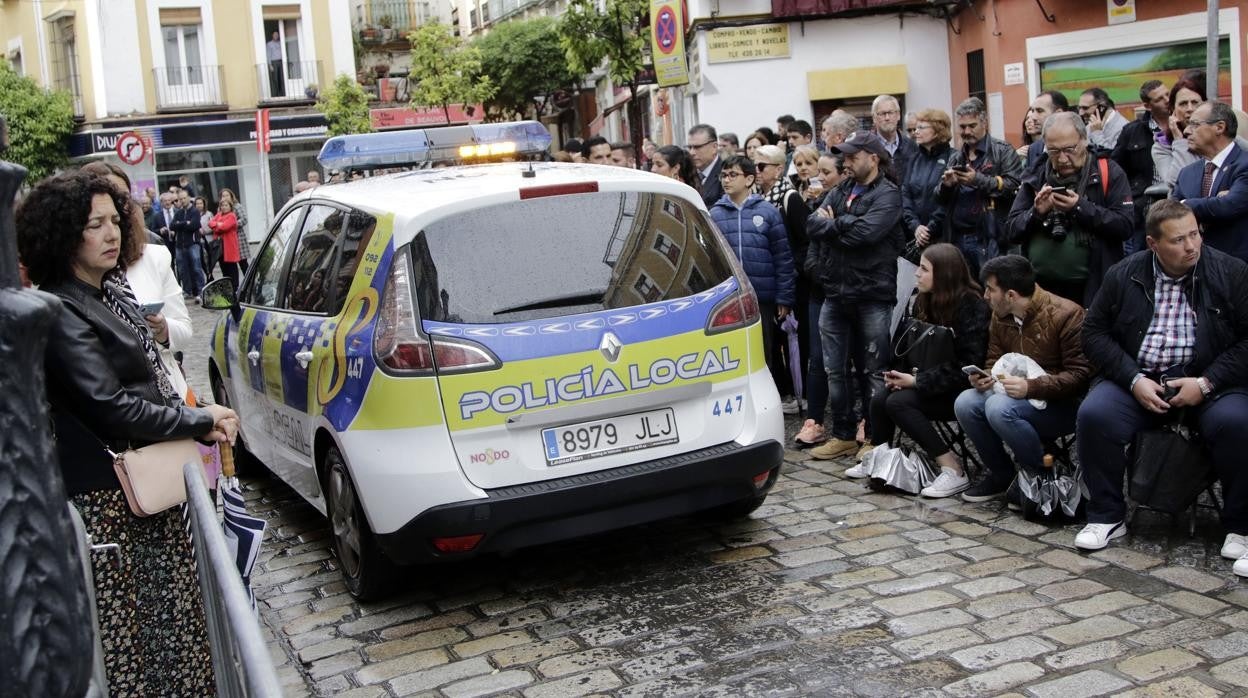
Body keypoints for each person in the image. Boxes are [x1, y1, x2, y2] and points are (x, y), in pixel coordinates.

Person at [15, 169, 239, 695]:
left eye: (115, 221)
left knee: (176, 629)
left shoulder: (106, 291)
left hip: (140, 493)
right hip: (113, 502)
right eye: (96, 225)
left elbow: (148, 383)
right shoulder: (62, 308)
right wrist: (199, 420)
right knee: (141, 642)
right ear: (65, 232)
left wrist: (194, 411)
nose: (112, 233)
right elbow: (111, 407)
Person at [1075, 199, 1248, 566]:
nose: (1191, 246)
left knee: (1237, 423)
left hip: (1208, 380)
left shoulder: (1230, 272)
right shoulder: (1126, 273)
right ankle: (1106, 515)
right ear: (1153, 243)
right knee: (1095, 414)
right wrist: (1133, 379)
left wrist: (1205, 383)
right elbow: (1093, 333)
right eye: (1178, 240)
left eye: (1194, 234)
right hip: (1140, 379)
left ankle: (1241, 526)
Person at [851, 243, 990, 497]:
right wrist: (898, 375)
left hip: (958, 391)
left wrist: (917, 381)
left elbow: (969, 365)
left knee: (898, 403)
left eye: (924, 269)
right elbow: (907, 347)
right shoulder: (924, 300)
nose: (917, 274)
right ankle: (881, 460)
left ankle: (953, 468)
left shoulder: (972, 306)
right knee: (882, 396)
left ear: (944, 273)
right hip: (926, 382)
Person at [955, 255, 1091, 503]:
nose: (985, 295)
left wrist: (1032, 387)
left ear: (1011, 295)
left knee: (998, 408)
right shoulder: (1000, 314)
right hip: (1015, 395)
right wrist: (985, 377)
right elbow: (994, 359)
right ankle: (1001, 474)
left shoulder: (1067, 314)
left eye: (990, 289)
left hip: (1062, 404)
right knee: (966, 401)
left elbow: (1080, 376)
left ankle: (1038, 478)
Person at [805, 131, 905, 461]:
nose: (845, 162)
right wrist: (843, 228)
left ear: (873, 158)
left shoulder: (888, 194)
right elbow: (811, 225)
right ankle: (844, 434)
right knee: (835, 369)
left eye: (852, 156)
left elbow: (868, 234)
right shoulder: (841, 190)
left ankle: (875, 437)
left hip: (873, 292)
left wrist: (836, 226)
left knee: (875, 369)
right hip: (836, 292)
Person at [1005, 111, 1134, 306]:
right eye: (1054, 151)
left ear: (1084, 140)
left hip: (1093, 291)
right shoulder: (1036, 175)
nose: (1063, 158)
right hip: (1041, 291)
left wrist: (1080, 207)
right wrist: (1037, 212)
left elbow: (1125, 225)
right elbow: (1011, 230)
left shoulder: (1108, 171)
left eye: (1069, 149)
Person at [708, 155, 796, 374]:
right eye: (724, 175)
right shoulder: (715, 214)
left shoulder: (767, 212)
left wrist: (784, 297)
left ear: (748, 180)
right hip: (729, 300)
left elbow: (782, 257)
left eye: (732, 175)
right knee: (733, 353)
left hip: (761, 297)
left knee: (764, 352)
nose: (726, 180)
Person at [937, 96, 1023, 279]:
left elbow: (1014, 187)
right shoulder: (956, 157)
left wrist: (977, 180)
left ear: (984, 123)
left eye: (972, 125)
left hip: (990, 237)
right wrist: (947, 185)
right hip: (958, 237)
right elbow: (939, 198)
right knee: (964, 294)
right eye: (962, 127)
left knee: (992, 290)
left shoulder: (1003, 151)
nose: (967, 131)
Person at [755, 144, 811, 414]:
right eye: (754, 165)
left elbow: (804, 240)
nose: (756, 171)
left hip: (791, 279)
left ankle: (802, 394)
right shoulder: (756, 197)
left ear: (778, 169)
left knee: (794, 338)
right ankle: (784, 390)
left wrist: (795, 271)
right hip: (768, 278)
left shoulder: (789, 198)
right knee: (773, 340)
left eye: (761, 166)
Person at [1170, 101, 1248, 262]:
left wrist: (1185, 204)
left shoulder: (1244, 164)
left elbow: (1229, 206)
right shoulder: (1187, 173)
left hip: (1238, 269)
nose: (1186, 131)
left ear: (1219, 127)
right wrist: (1214, 202)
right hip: (1195, 269)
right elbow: (1171, 214)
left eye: (1194, 124)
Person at [1113, 79, 1171, 252]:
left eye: (1167, 94)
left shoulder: (1184, 124)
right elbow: (1116, 167)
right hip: (1144, 206)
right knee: (1141, 257)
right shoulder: (1132, 131)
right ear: (1147, 106)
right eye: (1159, 98)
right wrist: (1129, 199)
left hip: (1176, 199)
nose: (1167, 100)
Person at [903, 108, 955, 259]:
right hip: (916, 236)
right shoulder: (914, 159)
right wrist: (915, 226)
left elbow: (948, 199)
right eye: (914, 128)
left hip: (943, 236)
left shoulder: (953, 157)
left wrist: (929, 229)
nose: (915, 132)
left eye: (921, 128)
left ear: (938, 131)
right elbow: (906, 195)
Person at [1153, 75, 1208, 188]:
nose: (1190, 109)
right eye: (1183, 104)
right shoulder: (1161, 147)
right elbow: (1176, 181)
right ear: (1173, 110)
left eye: (1195, 102)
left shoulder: (1219, 134)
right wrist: (1179, 141)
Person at [873, 94, 918, 184]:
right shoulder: (868, 147)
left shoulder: (911, 146)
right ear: (874, 118)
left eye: (890, 113)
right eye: (882, 114)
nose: (887, 118)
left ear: (898, 115)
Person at [1023, 90, 1071, 168]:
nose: (1033, 117)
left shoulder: (1078, 145)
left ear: (1058, 113)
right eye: (1032, 111)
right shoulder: (1033, 149)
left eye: (1040, 111)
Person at [170, 190, 204, 298]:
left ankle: (200, 291)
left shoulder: (194, 211)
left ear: (188, 198)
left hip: (193, 244)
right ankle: (187, 291)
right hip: (180, 245)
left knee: (196, 268)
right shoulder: (178, 212)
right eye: (180, 199)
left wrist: (180, 225)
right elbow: (172, 226)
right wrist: (185, 223)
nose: (182, 201)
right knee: (183, 270)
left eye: (184, 198)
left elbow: (194, 225)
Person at [1078, 87, 1129, 152]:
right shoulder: (1091, 124)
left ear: (1101, 107)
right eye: (1079, 108)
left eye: (1085, 108)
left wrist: (1096, 133)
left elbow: (1112, 157)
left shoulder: (1123, 127)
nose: (1080, 113)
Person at [688, 124, 724, 208]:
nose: (692, 153)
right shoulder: (687, 172)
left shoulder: (726, 172)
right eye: (690, 147)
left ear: (714, 147)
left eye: (697, 147)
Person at [209, 199, 242, 288]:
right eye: (222, 205)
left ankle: (235, 287)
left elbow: (225, 227)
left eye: (226, 205)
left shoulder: (232, 216)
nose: (224, 207)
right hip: (220, 247)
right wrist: (218, 225)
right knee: (223, 267)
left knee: (231, 267)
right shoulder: (218, 215)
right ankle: (227, 286)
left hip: (229, 246)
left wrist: (217, 225)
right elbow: (210, 223)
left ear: (230, 206)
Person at [220, 188, 251, 274]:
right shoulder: (221, 208)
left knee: (243, 263)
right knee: (231, 266)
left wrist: (232, 224)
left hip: (238, 238)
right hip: (227, 240)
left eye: (227, 195)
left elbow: (244, 219)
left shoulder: (237, 206)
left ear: (231, 196)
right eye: (223, 196)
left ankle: (250, 282)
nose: (225, 197)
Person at [194, 196, 217, 282]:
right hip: (199, 241)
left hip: (209, 240)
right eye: (197, 204)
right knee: (202, 261)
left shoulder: (209, 214)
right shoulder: (193, 214)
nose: (199, 205)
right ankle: (208, 276)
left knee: (209, 261)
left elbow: (213, 226)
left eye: (201, 203)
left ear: (204, 204)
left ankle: (210, 277)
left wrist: (204, 231)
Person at [266, 30, 284, 97]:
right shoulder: (269, 44)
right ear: (272, 35)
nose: (276, 36)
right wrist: (270, 65)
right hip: (274, 62)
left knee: (282, 78)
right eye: (275, 34)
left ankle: (282, 94)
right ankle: (275, 95)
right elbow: (268, 55)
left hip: (281, 62)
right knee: (275, 79)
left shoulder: (280, 43)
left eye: (277, 34)